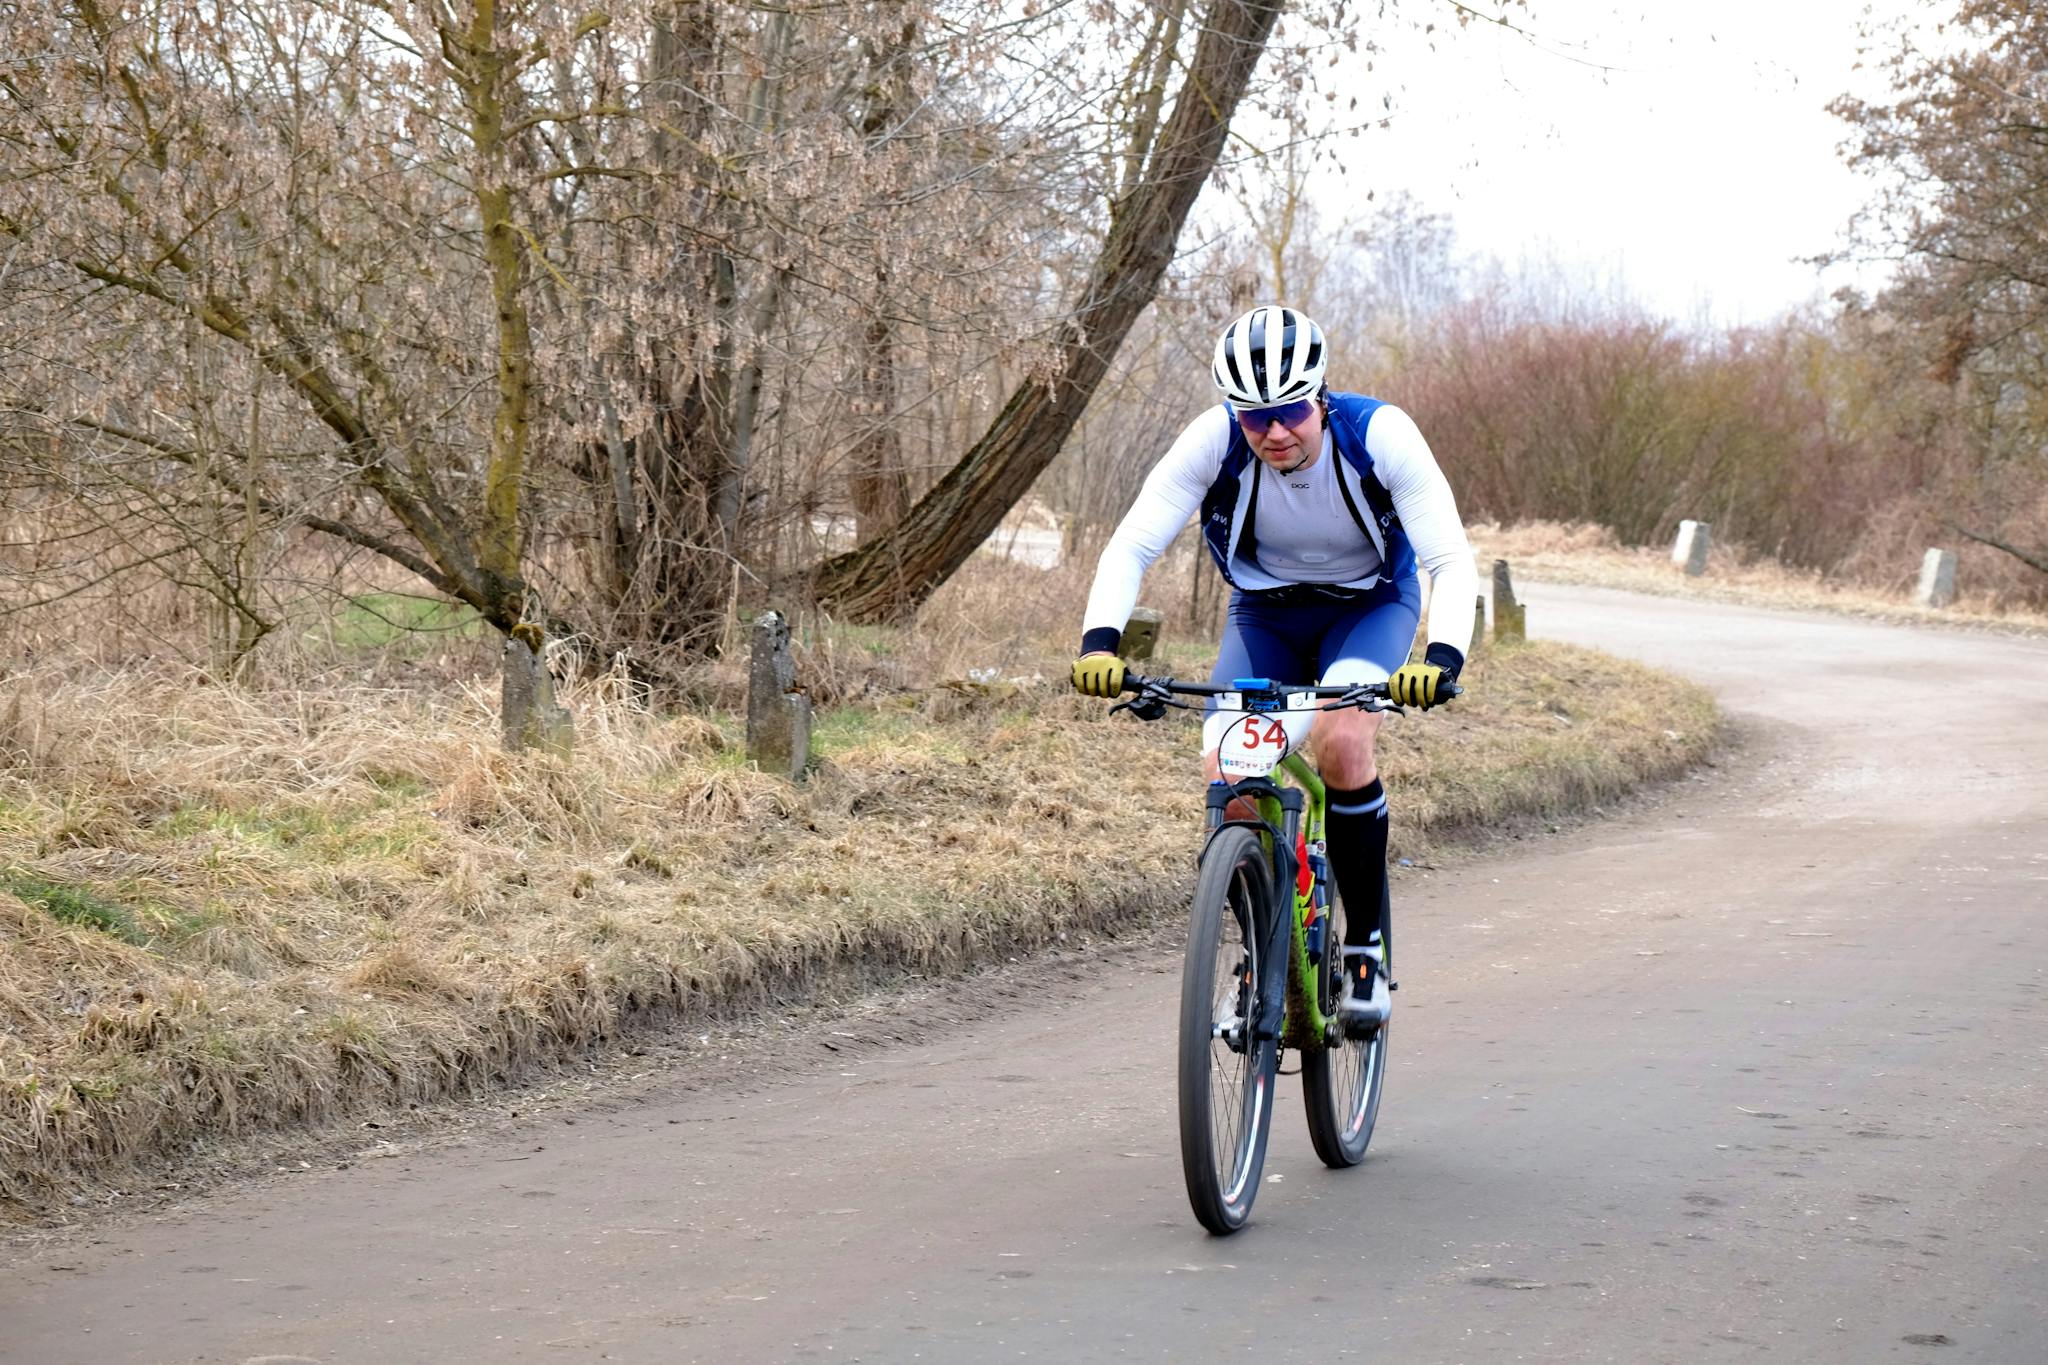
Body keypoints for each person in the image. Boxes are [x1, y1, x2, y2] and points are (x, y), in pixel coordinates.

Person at [1070, 305, 1477, 1028]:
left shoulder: (1380, 435)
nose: (1275, 431)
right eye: (1255, 417)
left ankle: (1365, 948)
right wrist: (1099, 644)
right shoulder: (1213, 441)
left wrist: (1440, 658)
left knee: (1342, 740)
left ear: (1319, 396)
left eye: (1290, 410)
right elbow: (1132, 544)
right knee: (1226, 776)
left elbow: (1449, 559)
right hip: (1265, 619)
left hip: (1369, 607)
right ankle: (1258, 951)